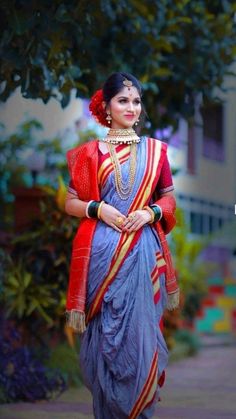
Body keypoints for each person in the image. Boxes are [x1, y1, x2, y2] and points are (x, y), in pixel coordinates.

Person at [64, 72, 179, 419]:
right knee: (101, 345)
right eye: (123, 100)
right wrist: (99, 208)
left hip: (142, 256)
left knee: (139, 341)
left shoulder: (155, 153)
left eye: (136, 101)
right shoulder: (89, 154)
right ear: (107, 107)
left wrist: (150, 213)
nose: (132, 107)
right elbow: (71, 202)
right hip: (99, 262)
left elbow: (169, 200)